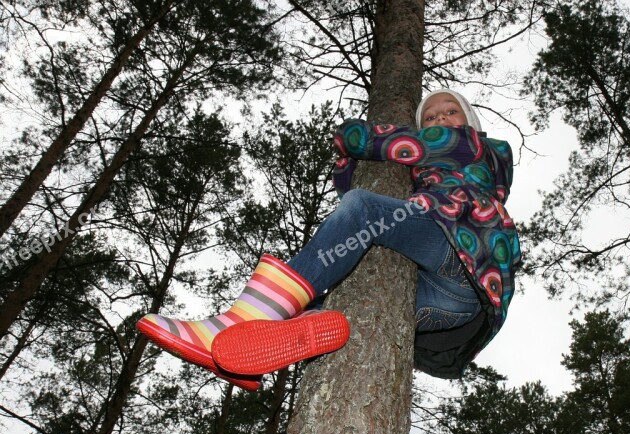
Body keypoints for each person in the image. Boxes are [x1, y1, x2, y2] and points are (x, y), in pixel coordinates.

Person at [137, 89, 521, 390]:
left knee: (363, 208)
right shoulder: (438, 160)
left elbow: (357, 141)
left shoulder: (473, 144)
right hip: (454, 305)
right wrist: (350, 165)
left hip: (461, 249)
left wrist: (347, 143)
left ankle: (241, 321)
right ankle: (252, 353)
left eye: (448, 112)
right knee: (355, 307)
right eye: (431, 117)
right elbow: (348, 186)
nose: (439, 119)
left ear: (468, 118)